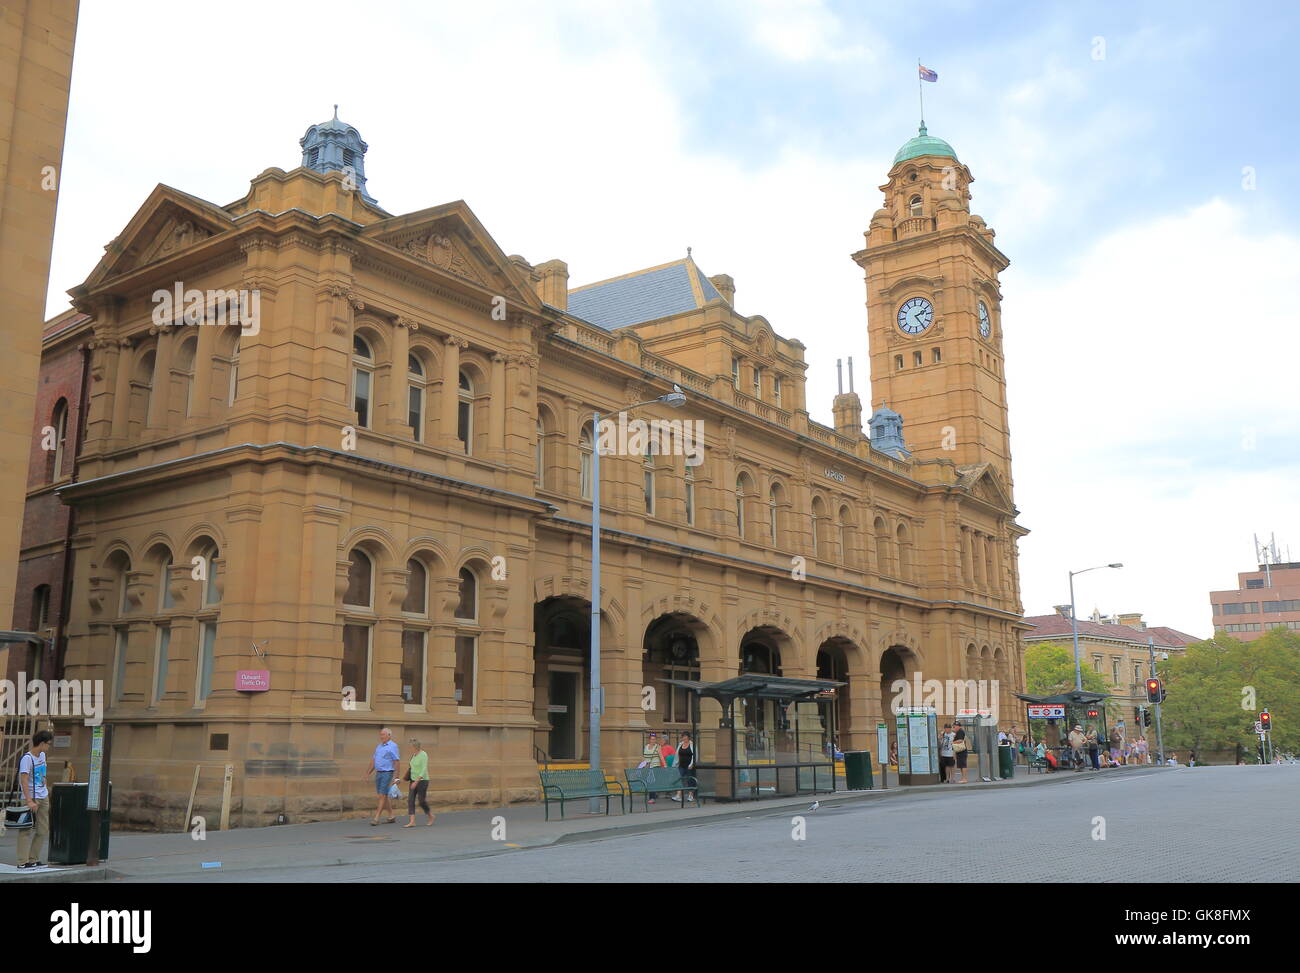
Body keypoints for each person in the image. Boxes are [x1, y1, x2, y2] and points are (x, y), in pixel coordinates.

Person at [16, 729, 54, 869]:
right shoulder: (27, 758)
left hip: (43, 796)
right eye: (48, 744)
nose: (49, 746)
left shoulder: (42, 755)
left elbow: (43, 771)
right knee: (26, 829)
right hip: (31, 797)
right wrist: (29, 800)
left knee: (43, 829)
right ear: (42, 743)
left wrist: (44, 782)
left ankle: (33, 859)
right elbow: (23, 781)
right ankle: (22, 861)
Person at [366, 726, 401, 825]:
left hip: (387, 773)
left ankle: (376, 817)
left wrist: (397, 777)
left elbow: (396, 761)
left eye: (383, 734)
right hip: (379, 773)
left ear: (389, 735)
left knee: (382, 795)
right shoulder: (379, 746)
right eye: (380, 734)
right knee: (383, 795)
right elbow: (374, 760)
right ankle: (391, 815)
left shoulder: (393, 746)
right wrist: (368, 772)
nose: (381, 736)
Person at [404, 737, 433, 827]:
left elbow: (424, 769)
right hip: (413, 780)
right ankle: (412, 821)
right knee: (410, 800)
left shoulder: (423, 755)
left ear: (415, 747)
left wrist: (416, 781)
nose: (409, 748)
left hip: (422, 781)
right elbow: (412, 767)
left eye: (410, 746)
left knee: (421, 801)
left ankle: (430, 816)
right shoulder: (413, 755)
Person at [673, 731, 696, 803]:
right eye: (683, 737)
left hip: (689, 766)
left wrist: (692, 764)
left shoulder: (692, 745)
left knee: (690, 780)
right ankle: (678, 795)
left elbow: (695, 756)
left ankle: (691, 795)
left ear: (688, 738)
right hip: (681, 766)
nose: (684, 739)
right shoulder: (680, 744)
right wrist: (675, 764)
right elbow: (677, 755)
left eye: (686, 738)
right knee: (679, 779)